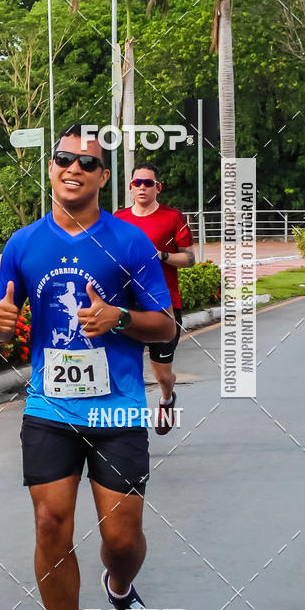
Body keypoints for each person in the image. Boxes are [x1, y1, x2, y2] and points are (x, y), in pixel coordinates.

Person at [0, 125, 174, 610]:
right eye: (63, 159)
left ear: (103, 177)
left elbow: (165, 324)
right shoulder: (21, 244)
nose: (73, 168)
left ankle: (119, 588)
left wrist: (119, 318)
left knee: (121, 539)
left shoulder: (131, 243)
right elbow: (0, 322)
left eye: (87, 163)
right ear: (49, 168)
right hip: (50, 407)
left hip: (116, 410)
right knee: (49, 524)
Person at [115, 162, 196, 434]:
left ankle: (166, 398)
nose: (141, 188)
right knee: (125, 366)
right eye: (137, 183)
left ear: (157, 187)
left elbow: (189, 258)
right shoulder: (119, 218)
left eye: (148, 183)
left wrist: (161, 256)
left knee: (162, 373)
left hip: (163, 305)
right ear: (130, 187)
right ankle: (130, 424)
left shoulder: (173, 217)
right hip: (127, 303)